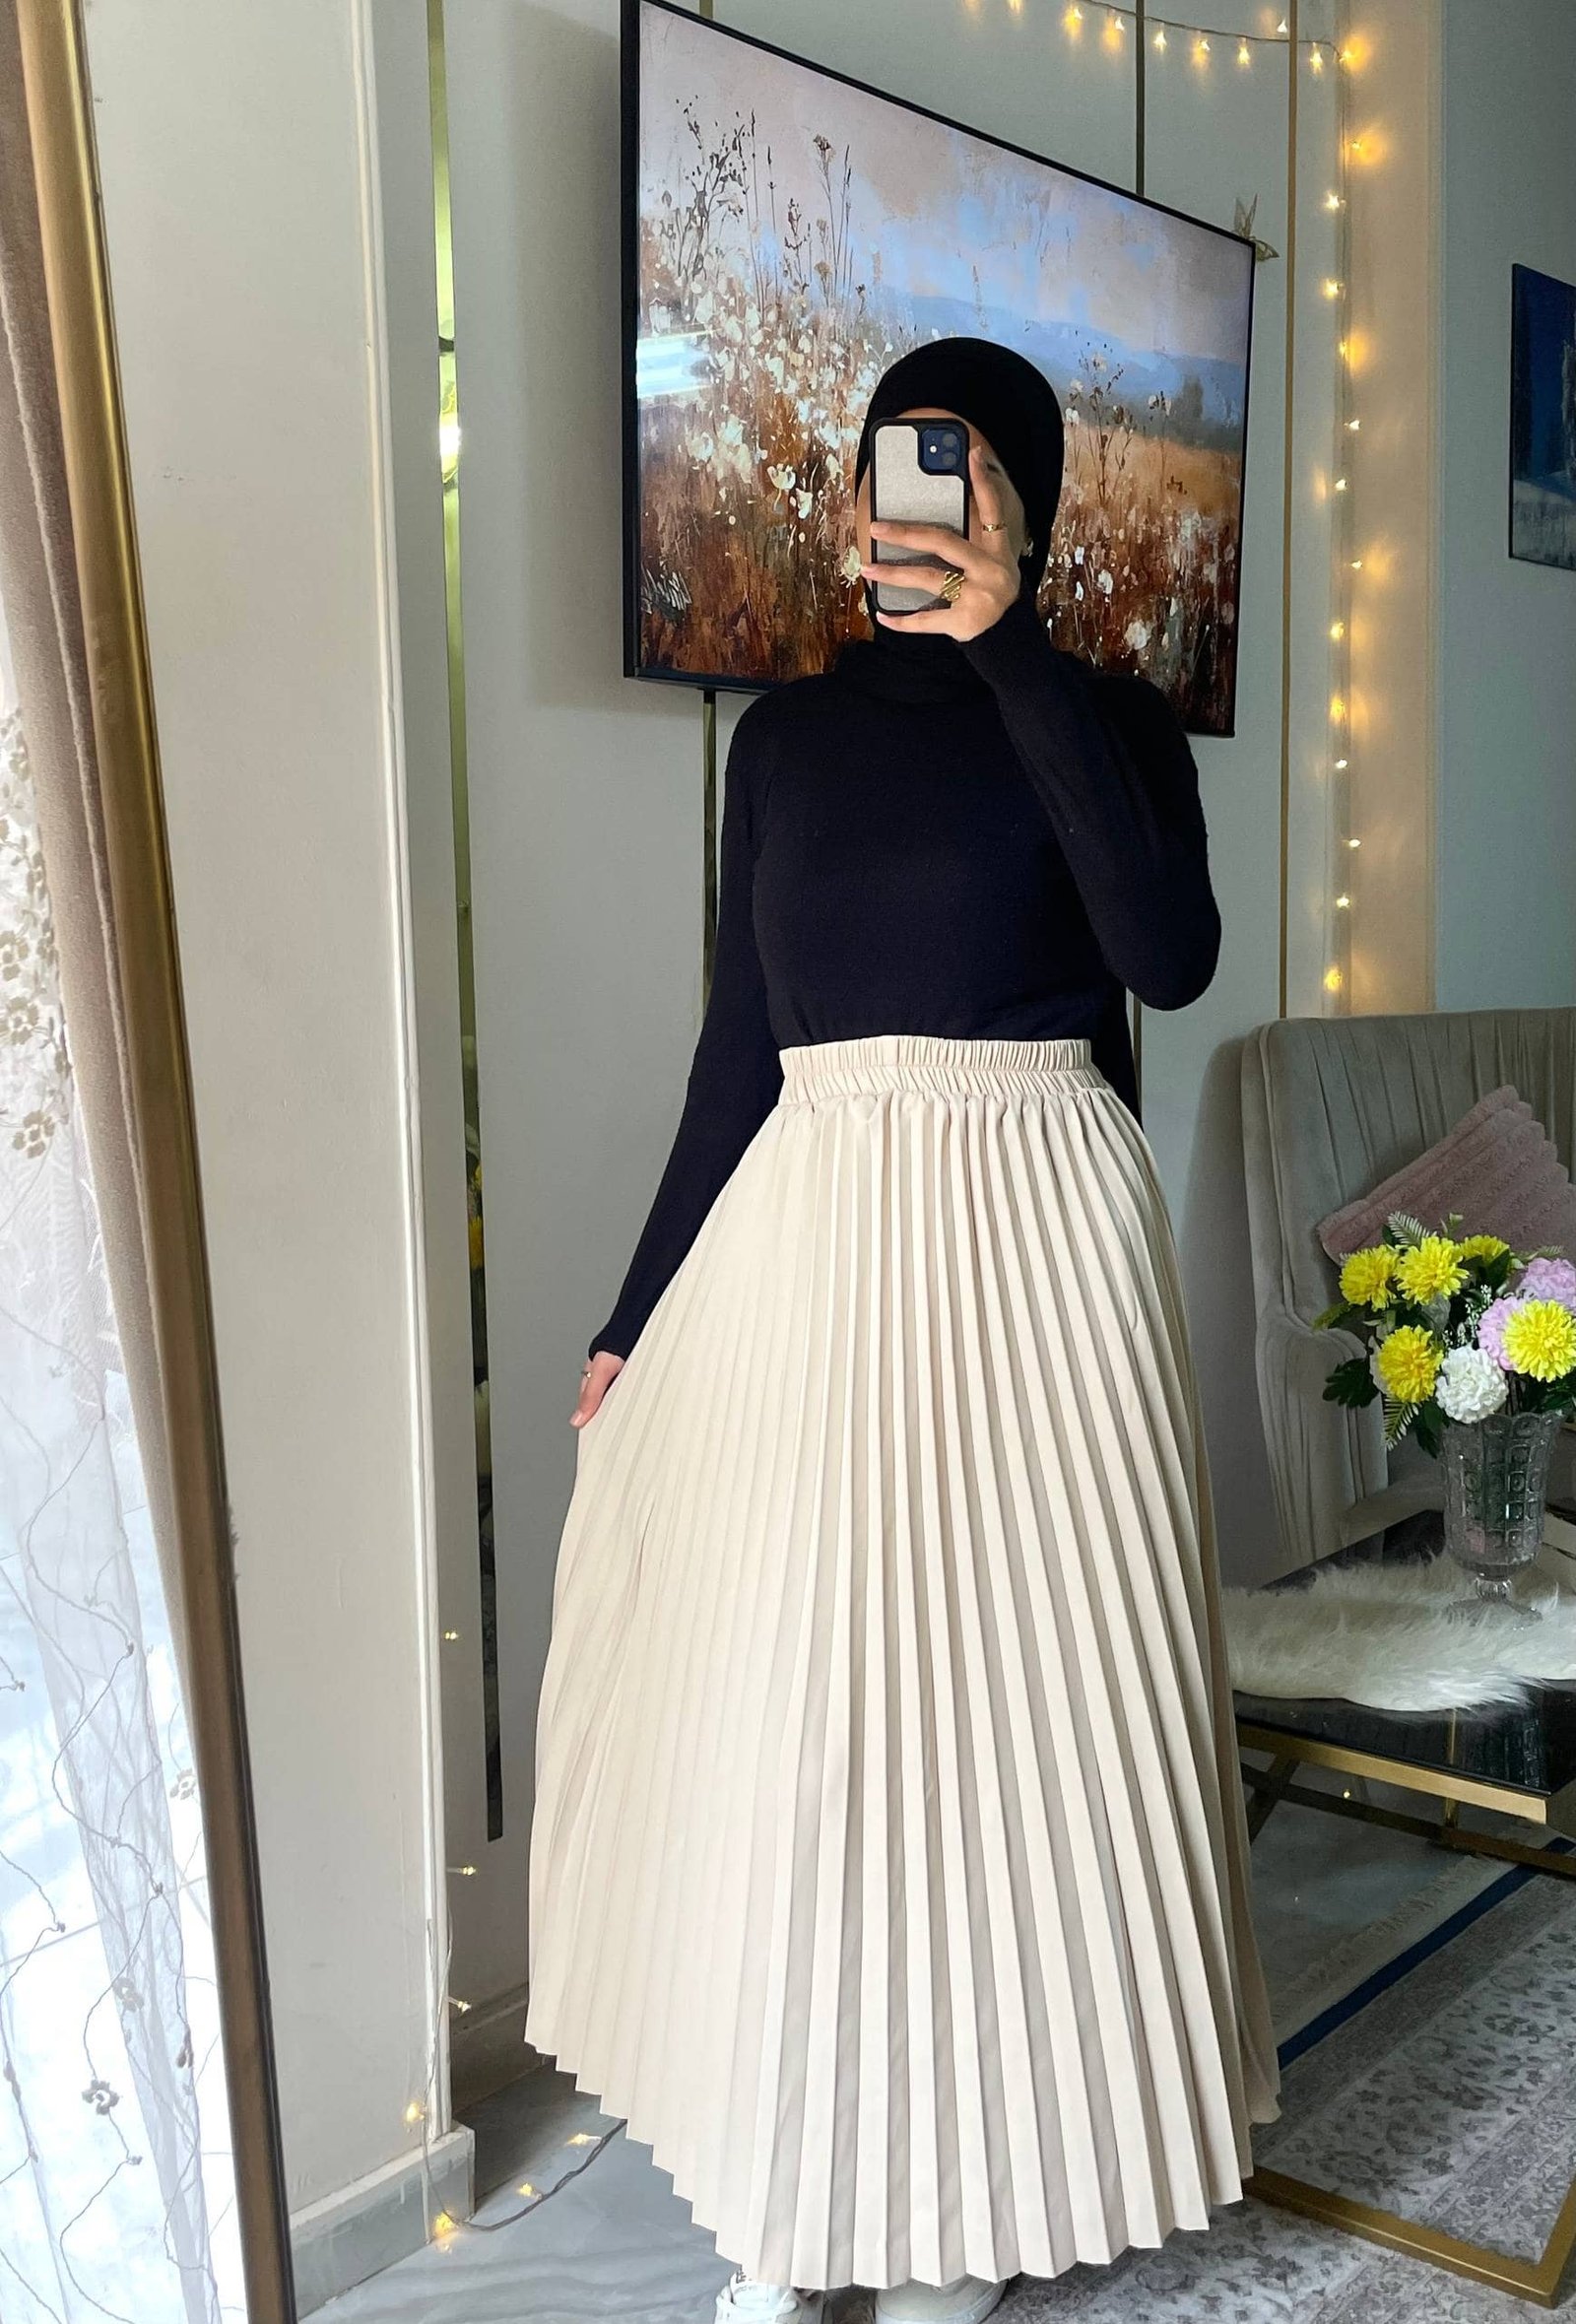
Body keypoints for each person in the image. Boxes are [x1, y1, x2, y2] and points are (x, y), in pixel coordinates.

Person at [524, 337, 1280, 2324]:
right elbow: (737, 1054)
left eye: (954, 473)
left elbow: (1169, 958)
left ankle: (965, 2200)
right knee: (814, 1718)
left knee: (1013, 1729)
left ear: (1019, 501)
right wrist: (632, 1313)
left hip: (1036, 1246)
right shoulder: (781, 745)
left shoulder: (1110, 723)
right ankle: (801, 2194)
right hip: (820, 1240)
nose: (905, 504)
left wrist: (1016, 649)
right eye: (887, 467)